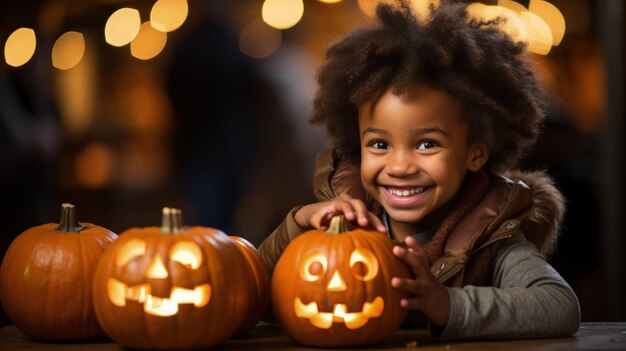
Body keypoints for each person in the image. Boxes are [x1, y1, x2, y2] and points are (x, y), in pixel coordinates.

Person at [258, 0, 580, 341]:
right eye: (380, 144)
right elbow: (248, 291)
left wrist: (449, 305)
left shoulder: (491, 239)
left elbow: (560, 305)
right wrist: (298, 222)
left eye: (427, 144)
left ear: (475, 152)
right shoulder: (339, 223)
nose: (399, 167)